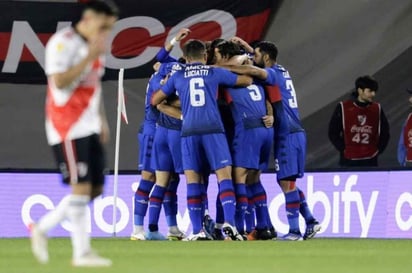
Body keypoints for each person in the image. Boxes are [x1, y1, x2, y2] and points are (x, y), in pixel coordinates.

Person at [30, 0, 118, 266]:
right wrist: (89, 56)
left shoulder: (95, 47)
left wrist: (102, 119)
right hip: (66, 124)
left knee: (95, 190)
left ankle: (44, 229)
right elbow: (60, 81)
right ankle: (79, 252)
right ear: (89, 18)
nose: (105, 34)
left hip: (89, 123)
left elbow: (93, 86)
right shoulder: (62, 43)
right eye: (103, 27)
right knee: (80, 188)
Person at [151, 39, 252, 240]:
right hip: (213, 130)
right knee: (224, 177)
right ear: (205, 56)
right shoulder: (214, 71)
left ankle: (197, 231)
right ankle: (230, 224)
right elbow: (247, 80)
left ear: (186, 58)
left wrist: (178, 105)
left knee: (193, 182)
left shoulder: (178, 75)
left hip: (189, 131)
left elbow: (155, 100)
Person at [221, 41, 321, 240]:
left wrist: (221, 67)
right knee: (288, 180)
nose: (253, 57)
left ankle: (294, 231)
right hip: (293, 131)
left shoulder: (272, 73)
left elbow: (252, 69)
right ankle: (310, 220)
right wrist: (244, 45)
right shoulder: (281, 69)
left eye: (256, 55)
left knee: (286, 182)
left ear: (266, 58)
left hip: (287, 134)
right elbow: (258, 58)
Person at [131, 29, 189, 241]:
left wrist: (173, 40)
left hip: (166, 131)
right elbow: (160, 99)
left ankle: (170, 228)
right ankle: (138, 229)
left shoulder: (168, 67)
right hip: (152, 132)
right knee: (149, 178)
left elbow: (159, 58)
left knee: (170, 180)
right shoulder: (162, 79)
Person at [215, 41, 276, 240]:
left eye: (217, 55)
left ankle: (240, 229)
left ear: (224, 57)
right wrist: (270, 113)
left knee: (237, 178)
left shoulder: (227, 75)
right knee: (254, 179)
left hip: (248, 128)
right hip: (265, 129)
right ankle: (264, 226)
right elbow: (267, 99)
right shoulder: (255, 73)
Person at [328, 75, 390, 167]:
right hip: (348, 161)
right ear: (360, 90)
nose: (373, 94)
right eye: (370, 91)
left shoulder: (377, 108)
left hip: (370, 160)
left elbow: (385, 133)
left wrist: (377, 150)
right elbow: (333, 132)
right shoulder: (343, 107)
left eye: (374, 91)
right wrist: (344, 149)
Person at [397, 89, 412, 167]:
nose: (410, 99)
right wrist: (403, 161)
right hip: (409, 162)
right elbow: (402, 143)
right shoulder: (409, 118)